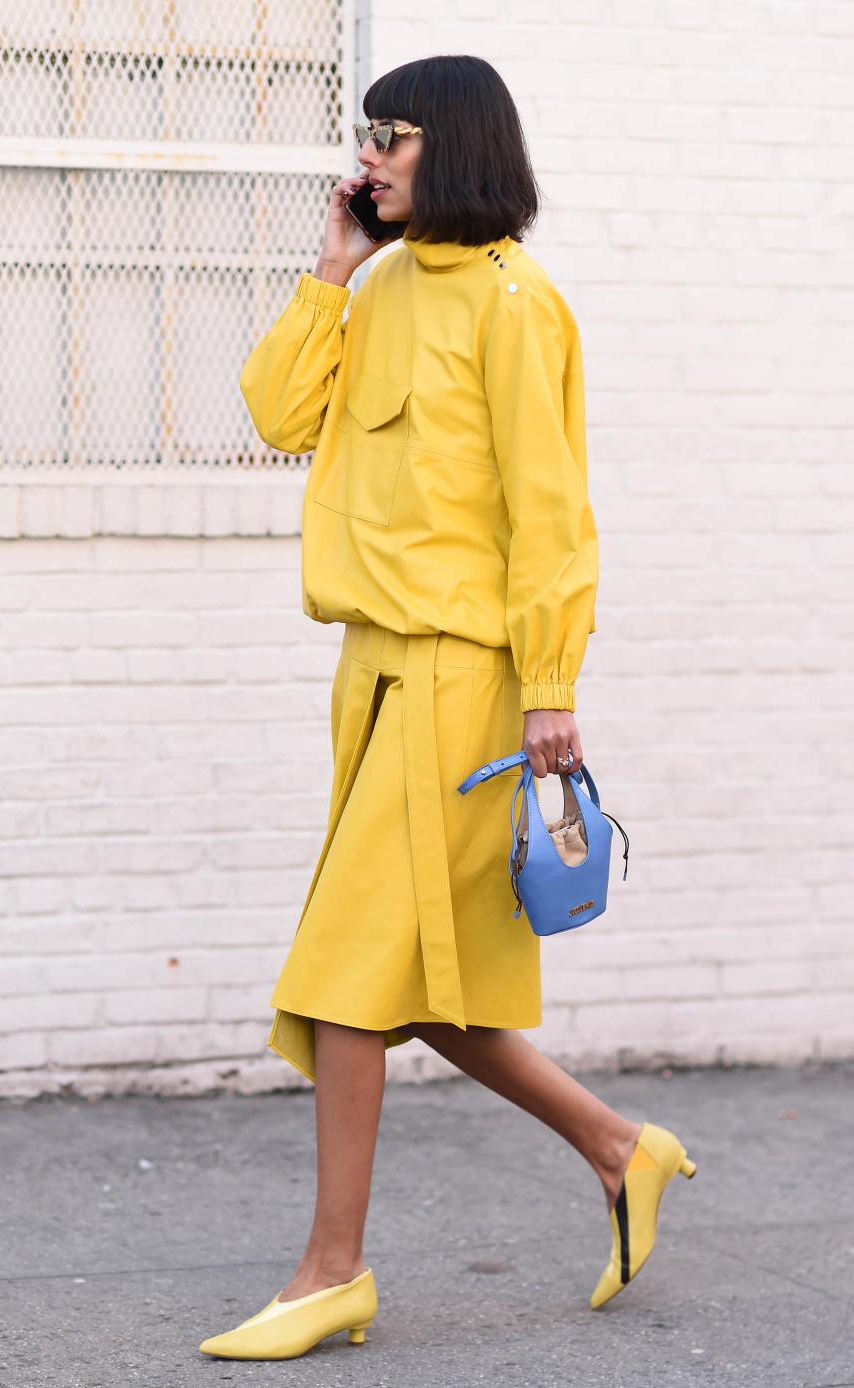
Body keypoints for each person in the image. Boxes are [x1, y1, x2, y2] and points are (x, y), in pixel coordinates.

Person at [198, 54, 696, 1362]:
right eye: (364, 135)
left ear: (457, 141)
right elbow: (272, 412)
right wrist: (332, 263)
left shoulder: (519, 305)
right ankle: (618, 1145)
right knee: (411, 981)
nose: (370, 154)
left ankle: (329, 1272)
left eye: (393, 134)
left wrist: (549, 693)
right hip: (369, 672)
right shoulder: (384, 286)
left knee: (343, 982)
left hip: (465, 678)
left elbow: (553, 519)